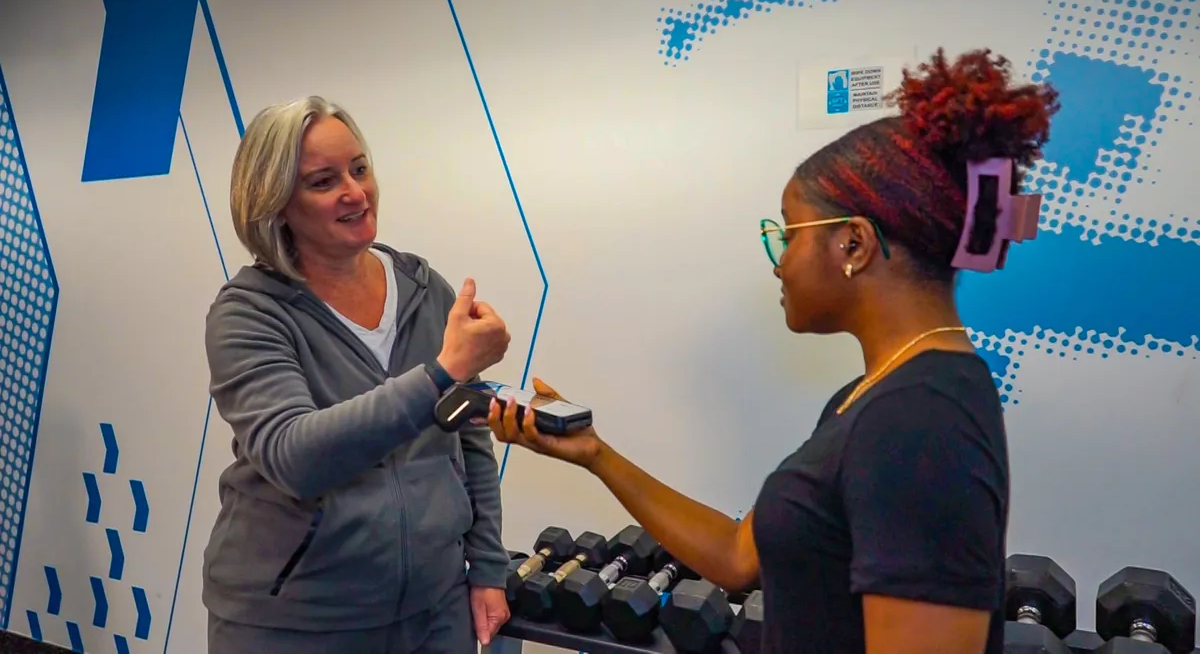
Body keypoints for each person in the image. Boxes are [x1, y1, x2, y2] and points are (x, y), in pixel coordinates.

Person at [488, 48, 1060, 654]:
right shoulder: (873, 397)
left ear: (854, 244)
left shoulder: (921, 421)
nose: (780, 261)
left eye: (788, 233)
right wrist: (595, 454)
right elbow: (740, 558)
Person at [202, 95, 514, 653]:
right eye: (324, 181)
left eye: (360, 168)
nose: (356, 192)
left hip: (434, 609)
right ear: (275, 205)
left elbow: (469, 441)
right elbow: (294, 456)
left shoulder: (424, 288)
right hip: (297, 622)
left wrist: (487, 566)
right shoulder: (249, 313)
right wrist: (442, 375)